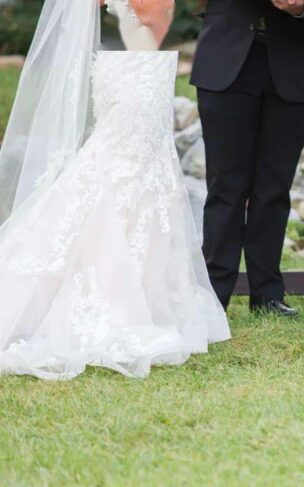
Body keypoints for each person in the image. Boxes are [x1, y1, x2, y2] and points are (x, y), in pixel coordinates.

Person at [0, 0, 230, 380]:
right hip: (133, 67)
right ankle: (117, 296)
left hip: (134, 66)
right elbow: (156, 13)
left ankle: (143, 291)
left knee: (135, 176)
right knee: (125, 173)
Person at [190, 0, 304, 315]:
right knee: (225, 185)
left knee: (275, 186)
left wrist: (301, 7)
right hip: (226, 58)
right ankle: (213, 293)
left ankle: (267, 295)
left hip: (296, 63)